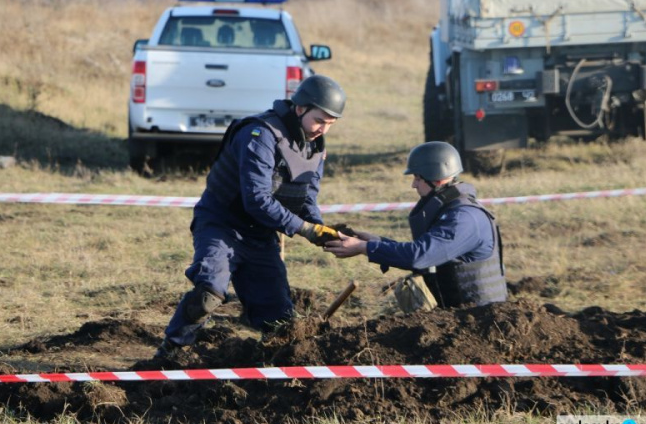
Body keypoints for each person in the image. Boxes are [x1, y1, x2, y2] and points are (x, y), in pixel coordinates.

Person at [156, 75, 347, 358]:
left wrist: (322, 230)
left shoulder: (315, 146)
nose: (323, 129)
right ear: (300, 109)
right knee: (209, 294)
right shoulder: (260, 134)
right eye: (320, 120)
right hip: (221, 224)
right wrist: (305, 230)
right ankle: (170, 352)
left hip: (260, 234)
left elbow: (306, 197)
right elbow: (257, 199)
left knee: (280, 322)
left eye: (330, 124)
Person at [324, 141, 507, 308]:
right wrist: (377, 241)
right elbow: (426, 251)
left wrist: (364, 247)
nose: (413, 185)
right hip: (461, 316)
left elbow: (419, 256)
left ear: (437, 179)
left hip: (481, 322)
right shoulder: (452, 210)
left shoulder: (463, 218)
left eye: (418, 179)